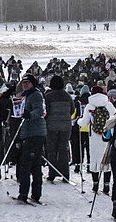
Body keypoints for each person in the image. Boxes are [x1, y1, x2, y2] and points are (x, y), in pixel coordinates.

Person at [14, 74, 47, 204]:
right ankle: (33, 193)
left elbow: (39, 111)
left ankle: (25, 193)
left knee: (28, 165)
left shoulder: (36, 95)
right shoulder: (25, 95)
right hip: (28, 132)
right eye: (23, 82)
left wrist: (29, 115)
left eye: (27, 82)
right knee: (33, 164)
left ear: (33, 83)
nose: (25, 84)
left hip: (35, 133)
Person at [77, 86, 116, 194]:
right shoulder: (108, 105)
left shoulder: (90, 106)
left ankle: (95, 185)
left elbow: (84, 122)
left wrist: (79, 122)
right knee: (106, 159)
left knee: (94, 159)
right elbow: (115, 118)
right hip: (107, 136)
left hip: (94, 136)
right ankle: (106, 185)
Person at [44, 75, 74, 182]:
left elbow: (46, 112)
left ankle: (52, 173)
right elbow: (72, 110)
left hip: (51, 126)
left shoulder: (48, 97)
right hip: (66, 127)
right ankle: (65, 174)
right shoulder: (67, 96)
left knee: (52, 150)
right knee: (63, 149)